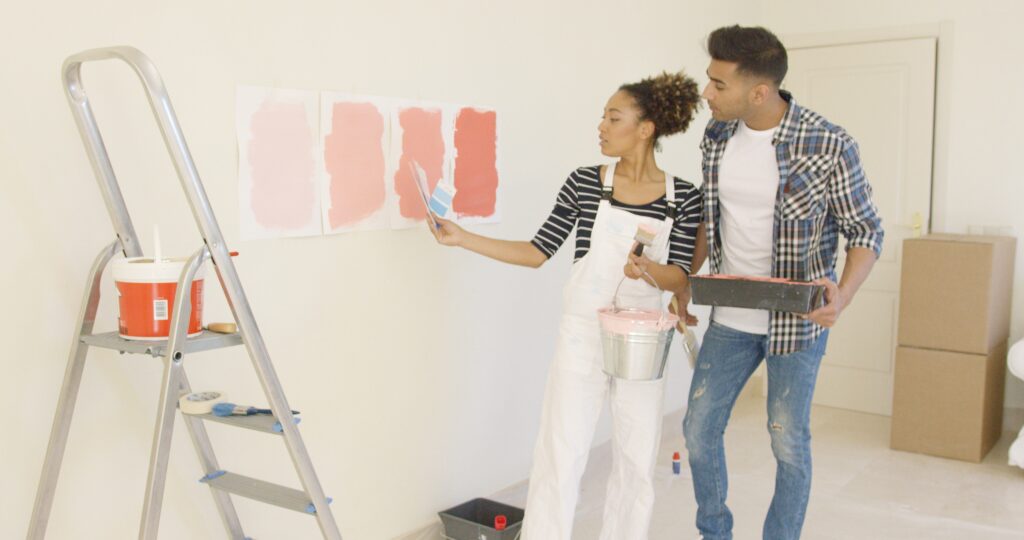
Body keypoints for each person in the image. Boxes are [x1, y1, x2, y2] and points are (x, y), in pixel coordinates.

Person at [430, 71, 702, 539]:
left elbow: (680, 274)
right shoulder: (584, 183)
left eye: (612, 117)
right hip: (582, 334)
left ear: (645, 129)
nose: (600, 125)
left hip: (641, 339)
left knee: (637, 458)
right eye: (602, 116)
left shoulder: (684, 198)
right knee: (561, 449)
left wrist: (648, 272)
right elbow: (538, 251)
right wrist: (463, 239)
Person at [682, 25, 885, 540]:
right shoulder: (716, 136)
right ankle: (715, 532)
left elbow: (866, 230)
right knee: (699, 431)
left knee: (787, 441)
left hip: (798, 322)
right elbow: (710, 217)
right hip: (730, 316)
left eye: (718, 84)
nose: (707, 93)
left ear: (760, 91)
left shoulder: (829, 142)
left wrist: (843, 293)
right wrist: (682, 283)